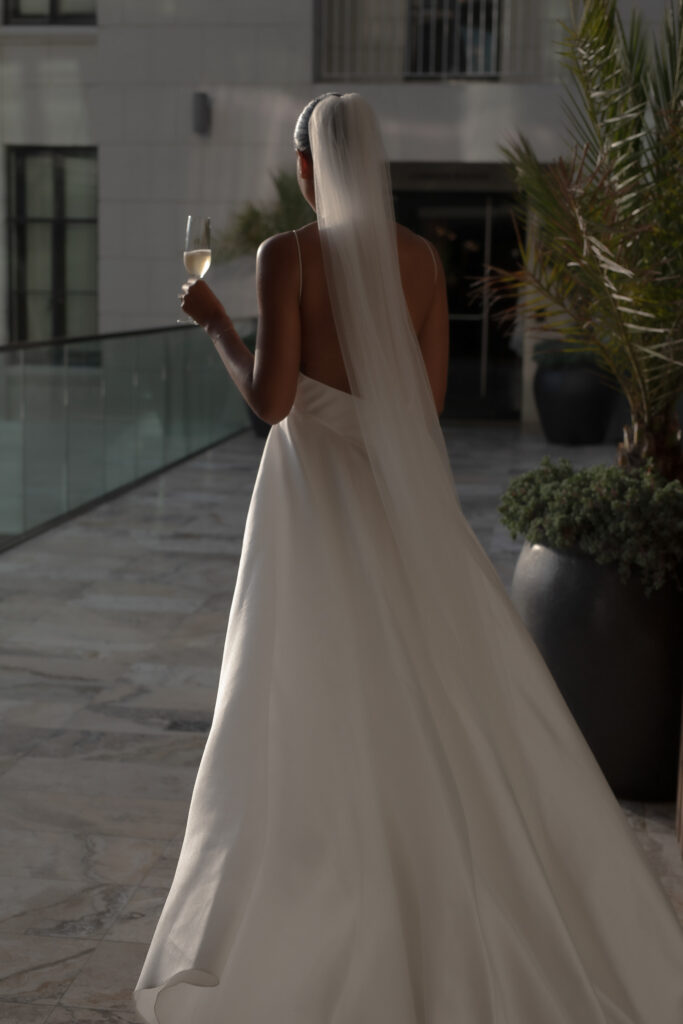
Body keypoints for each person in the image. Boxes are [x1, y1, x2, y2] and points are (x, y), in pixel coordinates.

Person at [133, 92, 683, 1024]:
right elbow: (419, 408)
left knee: (295, 689)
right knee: (420, 692)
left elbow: (270, 404)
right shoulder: (422, 262)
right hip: (391, 504)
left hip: (308, 505)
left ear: (310, 166)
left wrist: (216, 326)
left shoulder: (284, 259)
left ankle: (320, 886)